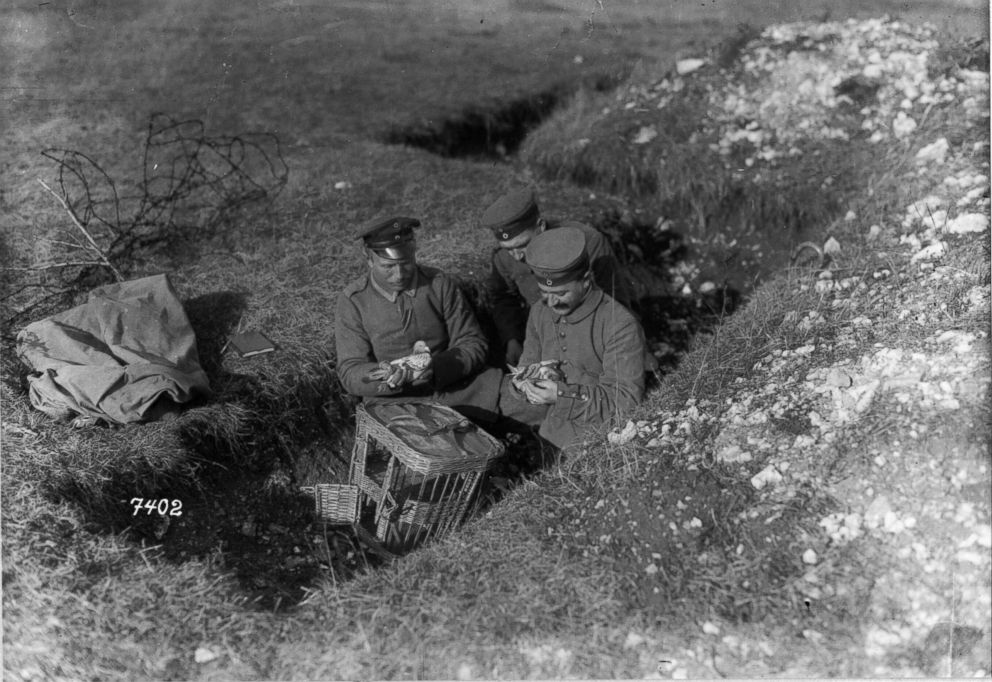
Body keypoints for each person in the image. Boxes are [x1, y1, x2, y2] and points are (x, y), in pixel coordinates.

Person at [334, 216, 546, 431]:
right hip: (397, 405)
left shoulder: (438, 283)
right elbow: (350, 371)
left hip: (463, 390)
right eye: (388, 266)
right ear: (368, 258)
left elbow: (473, 343)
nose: (399, 275)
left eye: (406, 263)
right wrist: (385, 376)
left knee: (541, 408)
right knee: (433, 452)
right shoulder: (354, 302)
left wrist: (436, 368)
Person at [513, 226, 647, 450]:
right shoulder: (540, 311)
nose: (551, 303)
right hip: (552, 426)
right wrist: (523, 382)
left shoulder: (618, 323)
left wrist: (561, 395)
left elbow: (626, 401)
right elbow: (527, 362)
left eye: (560, 293)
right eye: (544, 292)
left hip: (602, 433)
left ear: (586, 280)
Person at [480, 189, 636, 366]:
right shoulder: (502, 257)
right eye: (509, 248)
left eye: (523, 245)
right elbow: (504, 298)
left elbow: (616, 301)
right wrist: (512, 338)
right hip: (544, 336)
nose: (517, 256)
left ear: (540, 226)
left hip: (594, 334)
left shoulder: (586, 242)